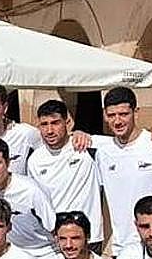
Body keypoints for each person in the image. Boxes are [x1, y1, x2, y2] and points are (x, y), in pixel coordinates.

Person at [89, 87, 152, 253]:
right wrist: (79, 134)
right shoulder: (102, 151)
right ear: (105, 116)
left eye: (123, 114)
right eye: (111, 115)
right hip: (122, 249)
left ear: (135, 112)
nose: (117, 121)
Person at [27, 100, 104, 251]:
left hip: (89, 239)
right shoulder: (34, 160)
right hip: (56, 240)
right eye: (44, 124)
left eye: (55, 123)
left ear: (67, 122)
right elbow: (35, 202)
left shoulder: (87, 146)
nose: (49, 130)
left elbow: (125, 143)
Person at [0, 137, 55, 257]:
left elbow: (54, 227)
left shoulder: (31, 190)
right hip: (8, 252)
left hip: (42, 252)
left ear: (7, 163)